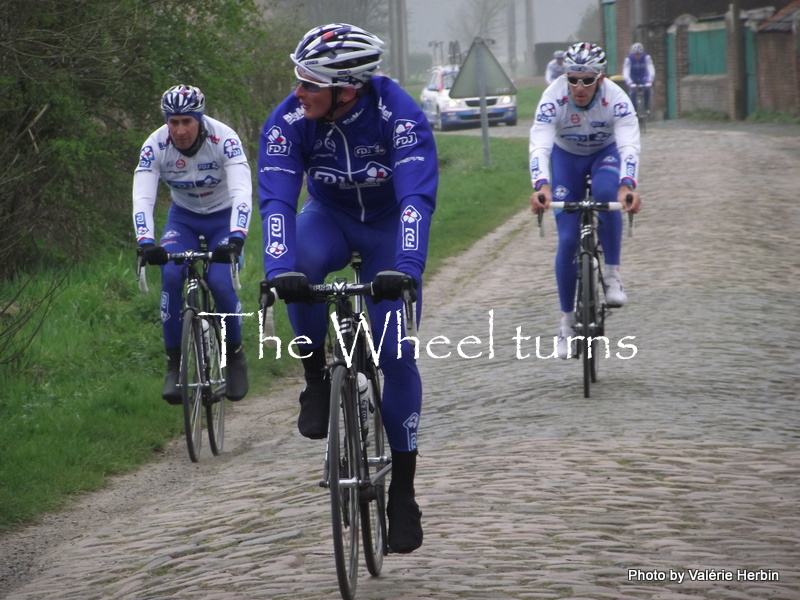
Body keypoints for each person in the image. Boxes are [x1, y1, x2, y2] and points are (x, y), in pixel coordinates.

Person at [258, 23, 436, 554]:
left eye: (309, 83)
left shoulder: (397, 113)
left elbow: (416, 200)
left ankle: (402, 493)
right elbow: (276, 202)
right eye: (298, 80)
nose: (298, 92)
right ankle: (316, 377)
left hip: (387, 233)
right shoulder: (290, 119)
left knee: (395, 351)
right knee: (301, 272)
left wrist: (406, 265)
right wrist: (276, 268)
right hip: (329, 219)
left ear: (346, 89)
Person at [133, 84, 251, 403]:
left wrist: (237, 238)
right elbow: (143, 195)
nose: (180, 130)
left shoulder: (224, 138)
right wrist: (145, 241)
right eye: (173, 122)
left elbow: (242, 190)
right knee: (171, 277)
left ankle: (235, 354)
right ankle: (175, 365)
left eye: (187, 121)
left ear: (200, 119)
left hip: (224, 218)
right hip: (183, 218)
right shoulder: (155, 145)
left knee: (220, 282)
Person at [528, 42, 642, 359]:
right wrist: (542, 185)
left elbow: (629, 144)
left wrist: (628, 185)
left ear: (601, 79)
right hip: (568, 160)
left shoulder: (617, 100)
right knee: (566, 240)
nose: (579, 87)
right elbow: (539, 142)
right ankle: (566, 325)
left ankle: (612, 275)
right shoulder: (553, 98)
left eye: (587, 80)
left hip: (605, 154)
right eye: (573, 79)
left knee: (608, 194)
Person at [623, 43, 655, 115]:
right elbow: (626, 72)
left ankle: (646, 107)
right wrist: (630, 83)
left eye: (639, 54)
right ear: (633, 54)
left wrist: (650, 81)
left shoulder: (646, 58)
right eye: (636, 55)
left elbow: (651, 69)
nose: (638, 56)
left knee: (647, 89)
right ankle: (634, 110)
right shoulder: (628, 59)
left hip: (643, 76)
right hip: (633, 77)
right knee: (633, 92)